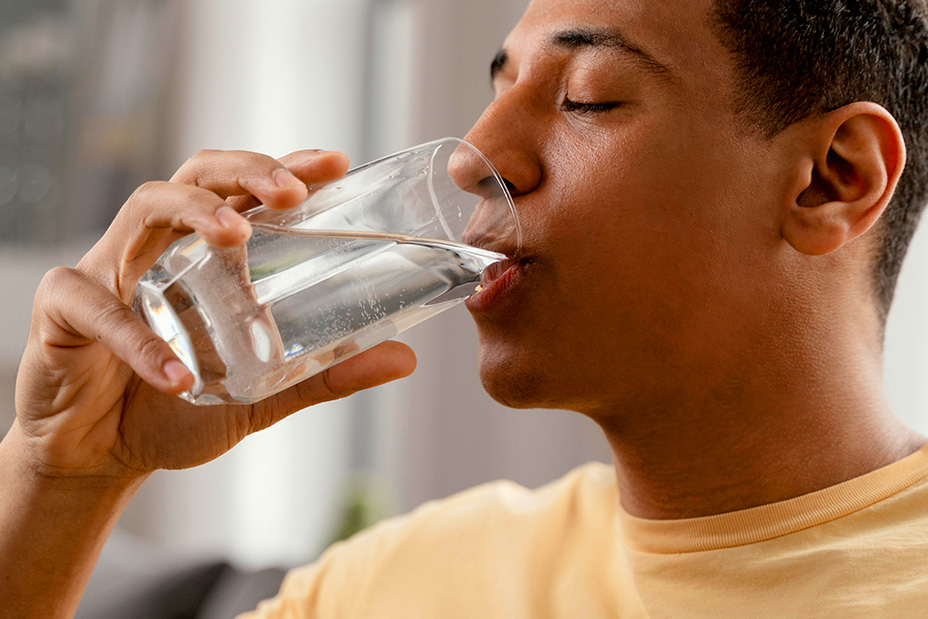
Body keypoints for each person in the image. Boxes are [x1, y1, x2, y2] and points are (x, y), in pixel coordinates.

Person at [3, 0, 928, 616]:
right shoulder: (403, 583)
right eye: (496, 91)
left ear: (830, 179)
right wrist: (64, 476)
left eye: (586, 99)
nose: (473, 155)